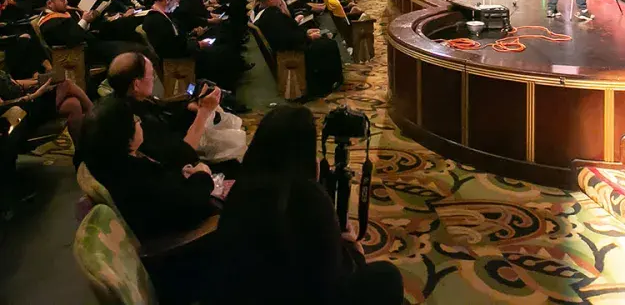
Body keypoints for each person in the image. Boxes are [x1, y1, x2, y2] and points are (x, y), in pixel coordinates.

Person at [207, 105, 404, 305]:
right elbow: (331, 278)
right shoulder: (307, 197)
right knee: (388, 276)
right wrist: (354, 250)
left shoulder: (241, 191)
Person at [80, 98, 218, 242]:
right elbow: (187, 208)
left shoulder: (109, 161)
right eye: (135, 120)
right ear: (125, 136)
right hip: (180, 241)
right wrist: (202, 176)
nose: (140, 123)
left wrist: (181, 172)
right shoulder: (134, 177)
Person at [253, 0, 343, 98]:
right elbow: (286, 38)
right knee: (327, 44)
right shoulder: (272, 15)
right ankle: (326, 85)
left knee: (323, 40)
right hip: (289, 52)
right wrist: (308, 37)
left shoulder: (270, 13)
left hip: (289, 45)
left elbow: (287, 31)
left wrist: (305, 33)